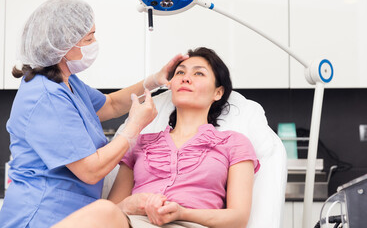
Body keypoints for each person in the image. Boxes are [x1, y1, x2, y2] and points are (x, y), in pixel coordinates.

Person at [0, 0, 187, 228]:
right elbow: (90, 170)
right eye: (89, 38)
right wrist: (134, 127)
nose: (94, 43)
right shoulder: (45, 96)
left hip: (79, 214)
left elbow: (111, 105)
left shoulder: (66, 82)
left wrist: (155, 80)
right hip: (41, 215)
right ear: (63, 45)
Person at [53, 47, 260, 228]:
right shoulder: (141, 143)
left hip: (191, 223)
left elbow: (238, 219)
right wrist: (128, 205)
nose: (186, 78)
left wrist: (182, 212)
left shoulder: (234, 143)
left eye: (199, 74)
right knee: (102, 211)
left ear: (218, 92)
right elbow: (113, 208)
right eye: (180, 72)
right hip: (134, 222)